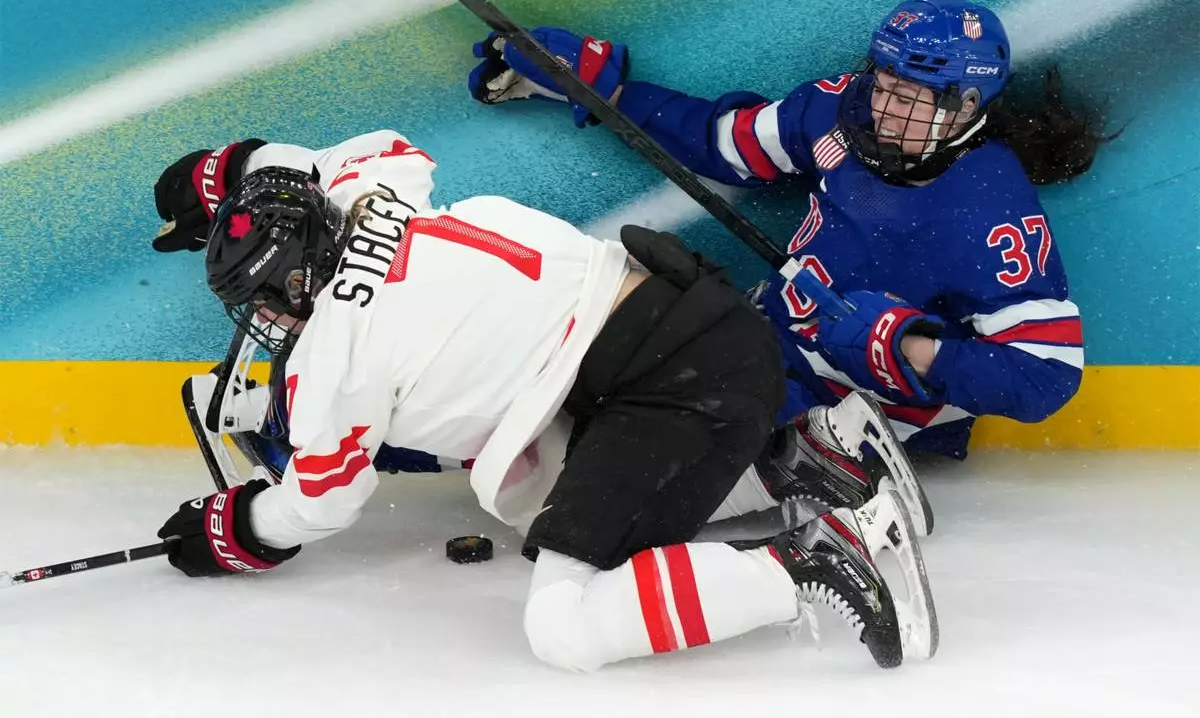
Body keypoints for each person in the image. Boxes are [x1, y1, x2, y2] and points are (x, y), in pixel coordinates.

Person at [148, 129, 937, 671]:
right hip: (697, 322)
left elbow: (320, 501)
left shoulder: (334, 362)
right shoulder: (374, 190)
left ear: (297, 278)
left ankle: (807, 562)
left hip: (666, 384)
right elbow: (340, 154)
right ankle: (803, 458)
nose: (269, 322)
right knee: (541, 507)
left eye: (268, 300)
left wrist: (237, 528)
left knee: (565, 623)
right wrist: (229, 172)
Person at [468, 0, 1107, 508]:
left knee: (621, 475)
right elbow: (725, 144)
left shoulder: (990, 213)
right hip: (767, 347)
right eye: (884, 84)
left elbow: (1044, 378)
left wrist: (905, 342)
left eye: (909, 99)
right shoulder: (841, 111)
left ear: (966, 105)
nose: (884, 110)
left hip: (851, 410)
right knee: (590, 373)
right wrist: (604, 92)